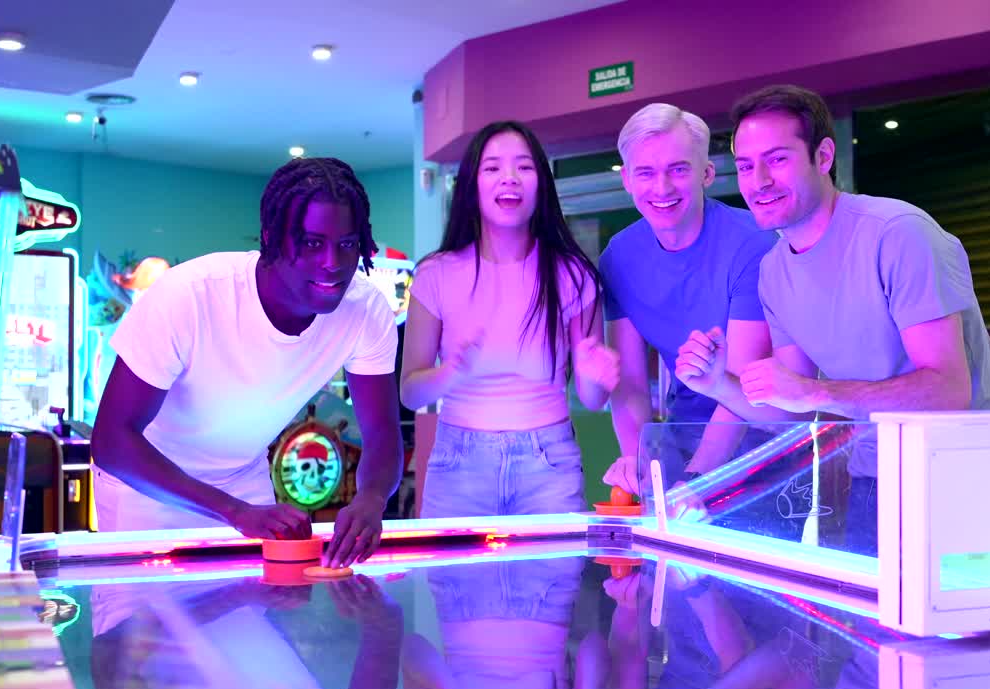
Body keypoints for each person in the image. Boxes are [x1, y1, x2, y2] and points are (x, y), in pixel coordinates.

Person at [676, 84, 990, 554]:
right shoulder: (774, 271)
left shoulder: (898, 234)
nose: (759, 181)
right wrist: (717, 383)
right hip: (873, 479)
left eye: (777, 159)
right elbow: (790, 411)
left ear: (824, 156)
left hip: (963, 475)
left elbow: (949, 391)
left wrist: (816, 392)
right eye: (746, 166)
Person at [91, 157, 403, 568]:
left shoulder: (366, 311)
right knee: (149, 611)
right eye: (312, 244)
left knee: (262, 609)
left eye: (347, 245)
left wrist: (372, 499)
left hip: (244, 483)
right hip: (147, 488)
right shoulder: (190, 295)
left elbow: (383, 433)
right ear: (272, 238)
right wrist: (233, 511)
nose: (333, 262)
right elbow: (111, 442)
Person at [400, 121, 619, 518]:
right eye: (493, 168)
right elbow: (410, 393)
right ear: (471, 185)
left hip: (548, 464)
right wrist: (450, 373)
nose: (510, 178)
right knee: (454, 563)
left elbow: (592, 399)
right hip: (458, 466)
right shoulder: (435, 274)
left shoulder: (573, 274)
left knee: (554, 564)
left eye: (524, 166)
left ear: (542, 184)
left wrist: (595, 375)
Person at [598, 103, 798, 520]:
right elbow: (630, 382)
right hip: (682, 437)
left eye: (678, 169)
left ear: (706, 173)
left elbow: (741, 385)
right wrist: (639, 462)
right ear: (627, 180)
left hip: (763, 444)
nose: (662, 188)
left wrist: (696, 482)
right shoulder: (619, 256)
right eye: (645, 173)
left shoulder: (753, 244)